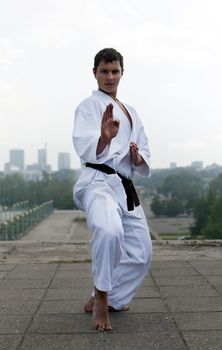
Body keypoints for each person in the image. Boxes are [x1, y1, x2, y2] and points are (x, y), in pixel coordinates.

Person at [72, 48, 152, 331]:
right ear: (94, 72)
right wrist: (104, 138)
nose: (109, 76)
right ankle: (103, 301)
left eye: (114, 71)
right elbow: (85, 146)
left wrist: (138, 157)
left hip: (124, 186)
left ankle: (108, 297)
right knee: (108, 232)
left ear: (122, 73)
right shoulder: (88, 107)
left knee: (142, 252)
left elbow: (144, 149)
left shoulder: (131, 111)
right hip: (98, 183)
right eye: (104, 71)